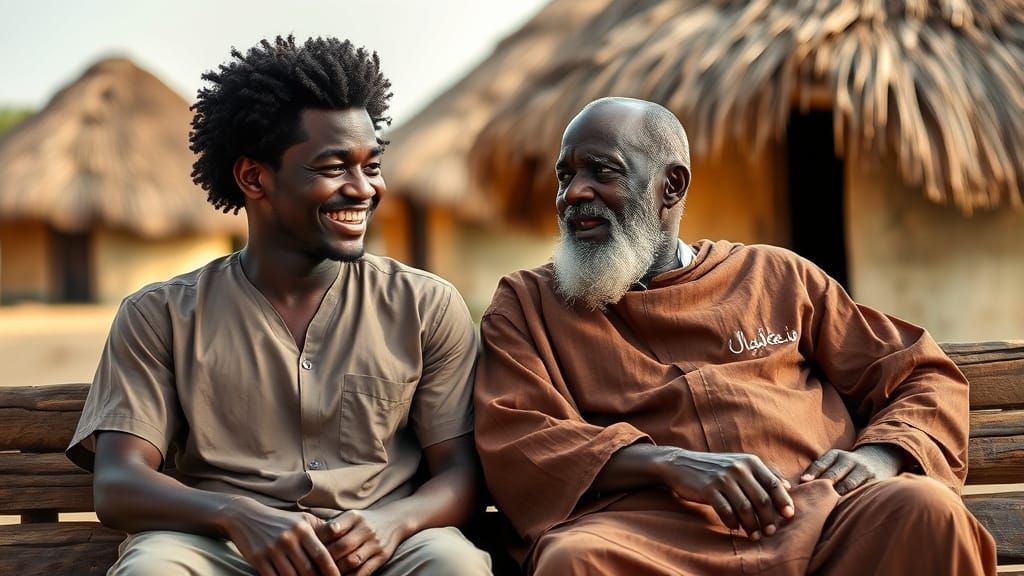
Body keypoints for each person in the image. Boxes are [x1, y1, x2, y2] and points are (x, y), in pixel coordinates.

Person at [473, 96, 997, 575]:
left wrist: (879, 458)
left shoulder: (776, 276)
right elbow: (520, 434)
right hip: (651, 544)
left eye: (601, 172)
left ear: (670, 186)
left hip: (821, 525)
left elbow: (918, 373)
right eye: (565, 177)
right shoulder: (527, 303)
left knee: (926, 511)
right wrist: (671, 465)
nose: (574, 193)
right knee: (575, 561)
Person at [67, 36, 491, 576]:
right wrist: (234, 514)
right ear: (254, 177)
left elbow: (460, 472)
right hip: (222, 550)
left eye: (371, 165)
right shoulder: (160, 316)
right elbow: (118, 482)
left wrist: (398, 522)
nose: (363, 189)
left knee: (452, 563)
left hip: (384, 547)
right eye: (334, 166)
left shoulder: (425, 306)